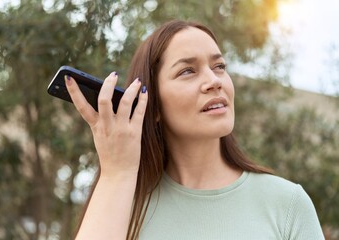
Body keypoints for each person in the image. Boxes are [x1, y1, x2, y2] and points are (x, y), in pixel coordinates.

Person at [64, 20, 324, 240]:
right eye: (188, 71)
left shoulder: (287, 203)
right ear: (151, 104)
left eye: (219, 66)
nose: (214, 81)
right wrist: (116, 173)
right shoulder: (120, 205)